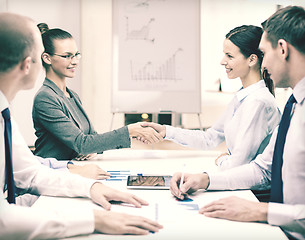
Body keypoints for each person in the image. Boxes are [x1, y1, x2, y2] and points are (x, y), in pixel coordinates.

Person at [0, 12, 162, 238]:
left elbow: (31, 172)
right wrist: (93, 219)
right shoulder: (42, 98)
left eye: (76, 54)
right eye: (39, 56)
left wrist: (92, 188)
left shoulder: (5, 115)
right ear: (30, 63)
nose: (74, 60)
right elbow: (4, 220)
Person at [170, 6, 305, 239]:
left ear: (282, 49)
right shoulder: (294, 106)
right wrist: (204, 179)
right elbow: (263, 169)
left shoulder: (267, 102)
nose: (263, 63)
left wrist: (262, 211)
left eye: (264, 52)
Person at [143, 25, 281, 170]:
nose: (222, 61)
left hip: (251, 190)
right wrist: (167, 131)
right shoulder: (243, 96)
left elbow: (238, 164)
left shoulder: (258, 102)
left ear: (252, 60)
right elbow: (210, 138)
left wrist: (222, 160)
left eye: (229, 56)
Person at [32, 22, 163, 160]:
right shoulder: (45, 98)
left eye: (76, 54)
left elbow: (91, 139)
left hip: (73, 169)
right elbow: (82, 143)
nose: (75, 61)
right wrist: (129, 130)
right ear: (47, 58)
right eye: (67, 56)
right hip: (51, 174)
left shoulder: (72, 95)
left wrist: (91, 147)